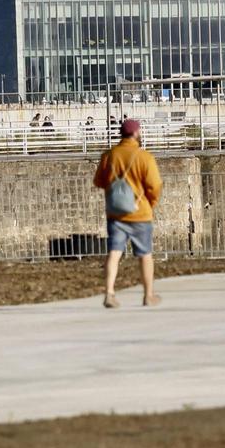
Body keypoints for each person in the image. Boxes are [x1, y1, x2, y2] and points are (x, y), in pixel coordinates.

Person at [92, 119, 163, 309]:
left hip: (116, 214)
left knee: (114, 253)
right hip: (140, 213)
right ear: (136, 133)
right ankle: (148, 295)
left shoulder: (109, 155)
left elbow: (98, 181)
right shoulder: (144, 157)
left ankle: (109, 293)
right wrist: (150, 203)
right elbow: (154, 185)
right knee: (145, 255)